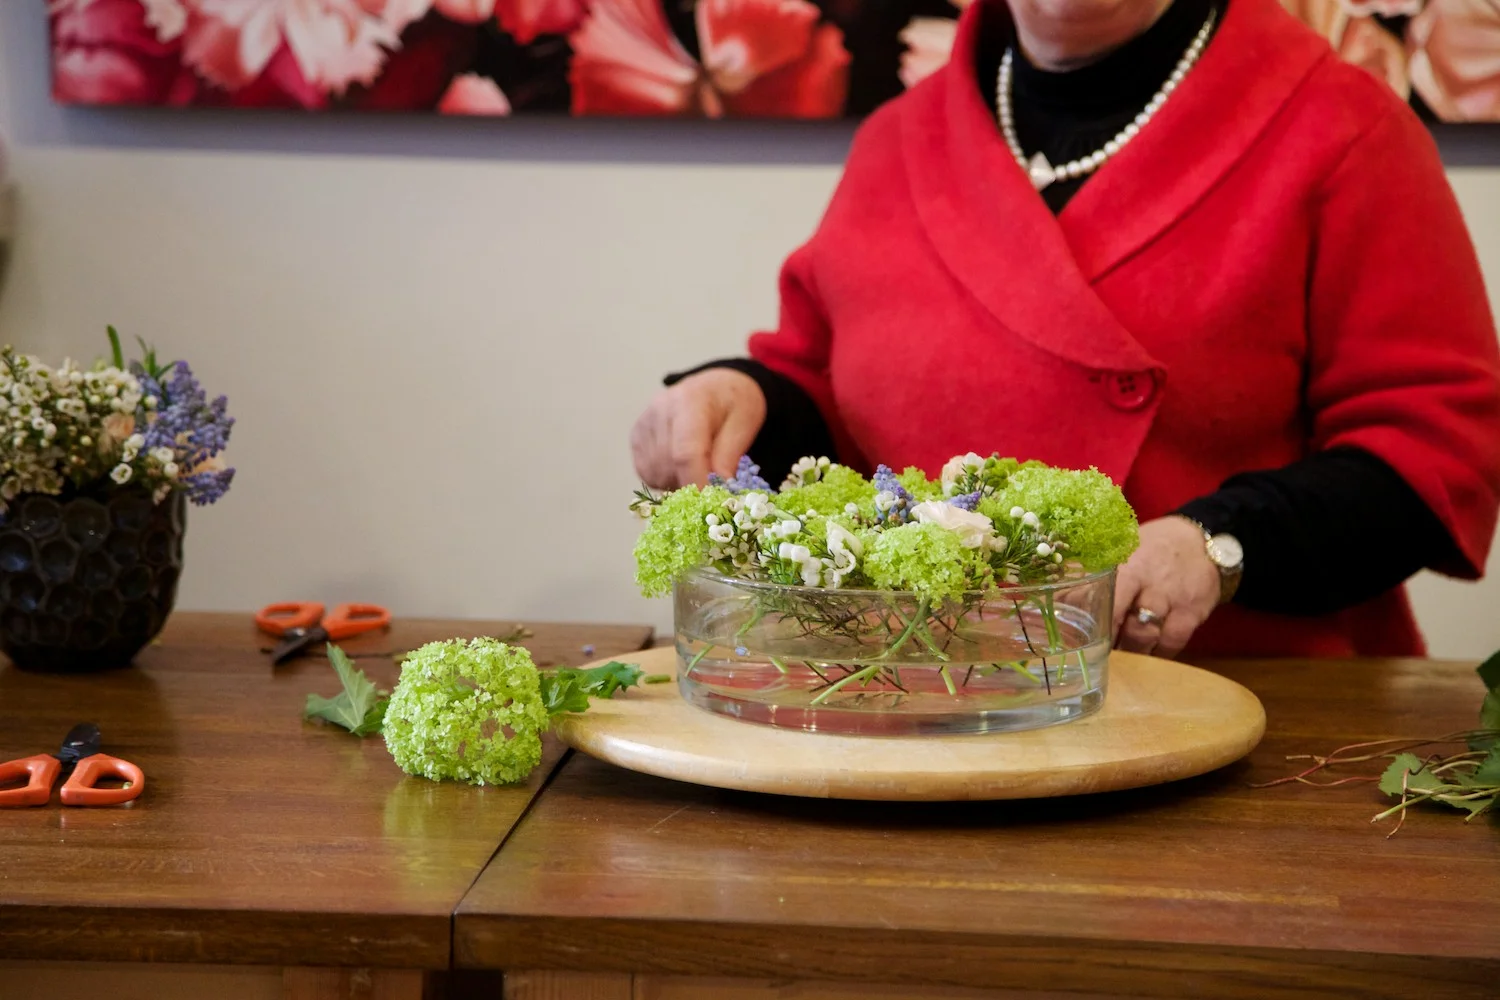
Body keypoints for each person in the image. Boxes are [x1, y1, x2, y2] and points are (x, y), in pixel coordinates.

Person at [630, 0, 1500, 660]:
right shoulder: (899, 138)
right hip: (920, 702)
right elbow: (832, 397)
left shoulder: (1345, 127)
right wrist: (740, 397)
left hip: (1254, 715)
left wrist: (1220, 545)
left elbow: (1437, 451)